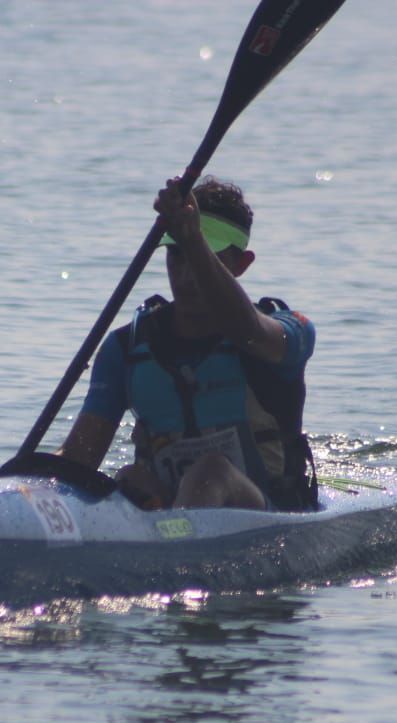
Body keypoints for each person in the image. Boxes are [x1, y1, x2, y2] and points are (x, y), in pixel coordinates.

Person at [58, 175, 318, 511]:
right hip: (170, 510)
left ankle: (175, 549)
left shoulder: (289, 334)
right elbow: (79, 459)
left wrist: (192, 239)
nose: (186, 275)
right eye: (177, 255)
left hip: (271, 515)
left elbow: (247, 330)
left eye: (206, 257)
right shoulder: (127, 348)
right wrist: (25, 482)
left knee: (211, 473)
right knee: (130, 477)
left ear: (241, 265)